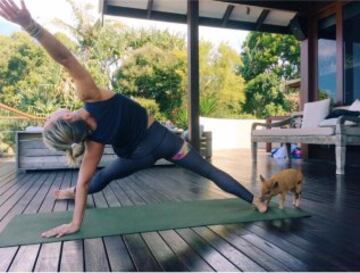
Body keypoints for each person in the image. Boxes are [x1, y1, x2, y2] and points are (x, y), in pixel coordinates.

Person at [0, 0, 267, 238]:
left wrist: (75, 223)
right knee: (209, 171)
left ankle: (68, 193)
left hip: (137, 157)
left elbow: (84, 182)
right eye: (51, 118)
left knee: (101, 179)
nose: (50, 113)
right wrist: (30, 26)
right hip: (166, 141)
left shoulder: (93, 142)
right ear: (67, 116)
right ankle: (255, 200)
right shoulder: (90, 96)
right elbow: (65, 58)